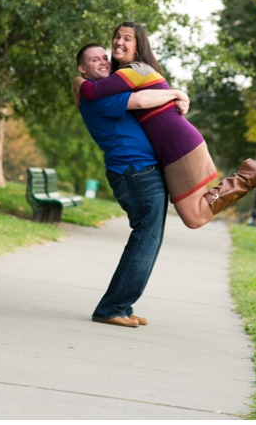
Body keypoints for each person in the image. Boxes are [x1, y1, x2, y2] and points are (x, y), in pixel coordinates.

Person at [73, 21, 256, 229]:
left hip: (179, 145)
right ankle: (248, 176)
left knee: (194, 218)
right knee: (195, 216)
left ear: (139, 48)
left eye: (127, 39)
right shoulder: (121, 76)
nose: (119, 42)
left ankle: (247, 177)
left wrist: (77, 81)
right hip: (169, 148)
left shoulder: (135, 69)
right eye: (117, 37)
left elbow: (93, 92)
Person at [76, 42, 182, 327]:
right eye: (94, 60)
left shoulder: (105, 90)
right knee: (146, 236)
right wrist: (176, 93)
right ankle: (112, 307)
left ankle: (121, 305)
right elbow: (141, 101)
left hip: (139, 169)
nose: (103, 62)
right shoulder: (94, 97)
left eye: (104, 58)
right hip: (133, 171)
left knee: (149, 238)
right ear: (82, 69)